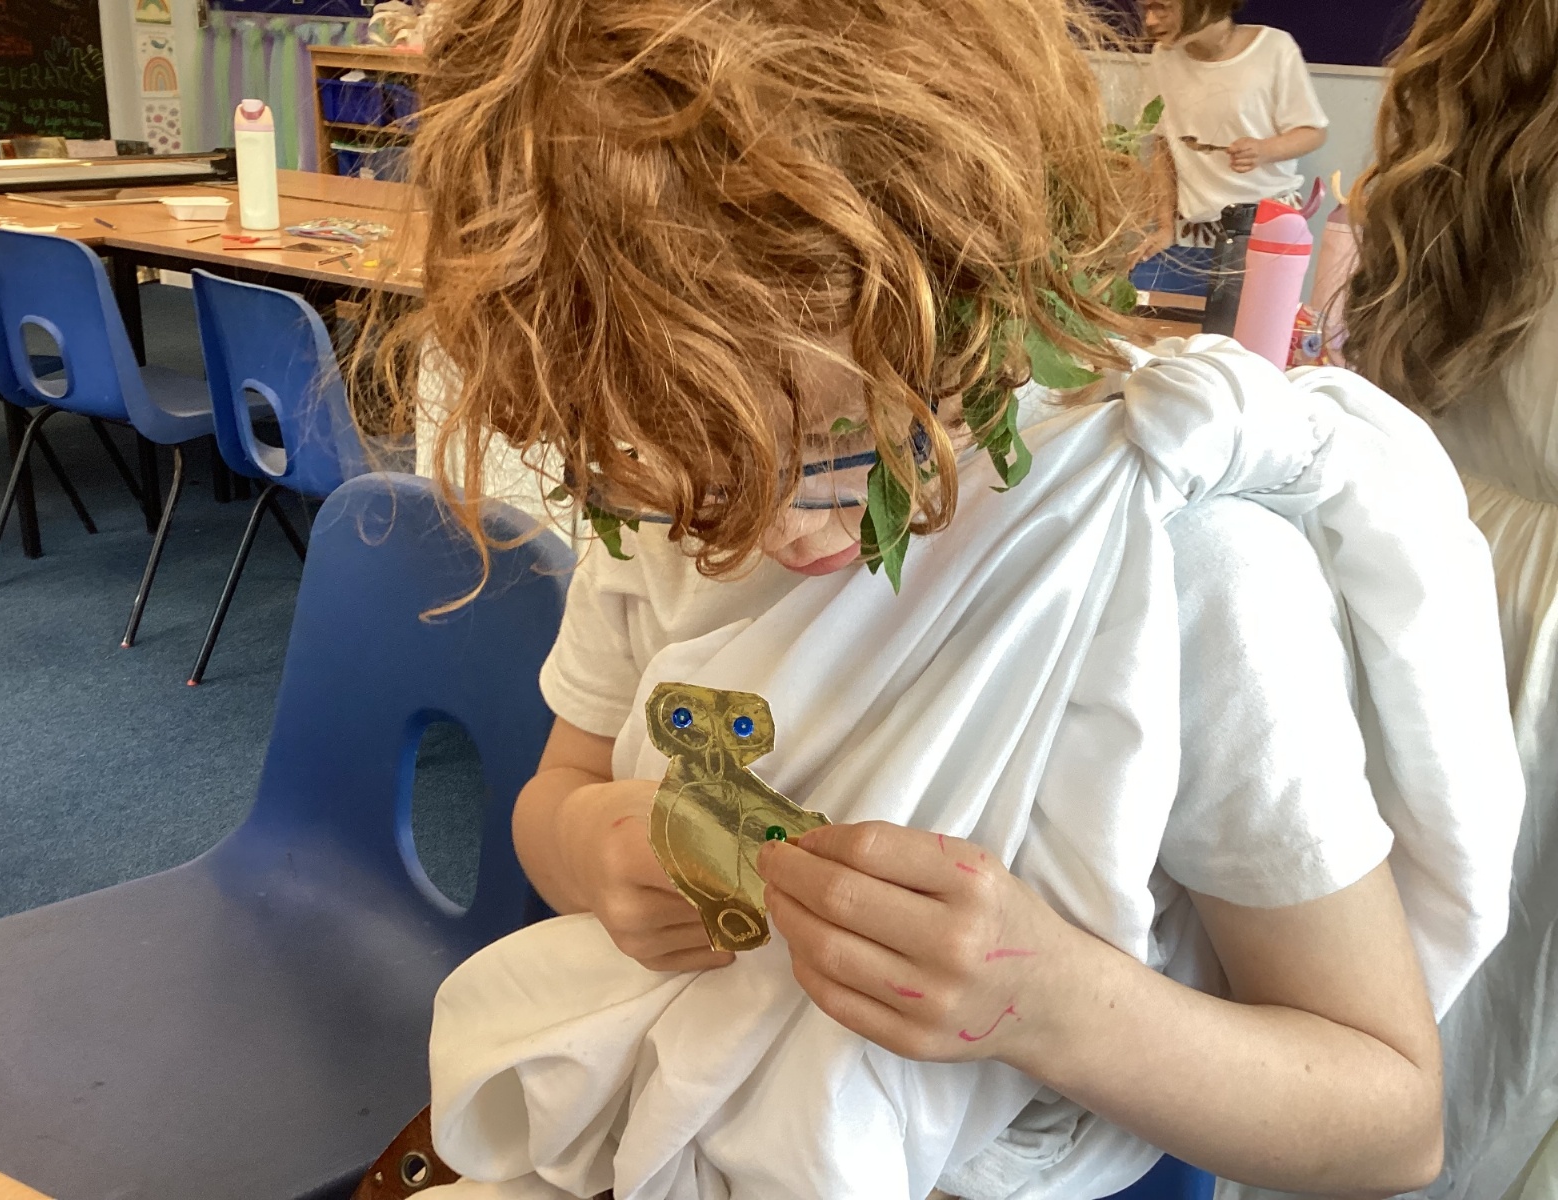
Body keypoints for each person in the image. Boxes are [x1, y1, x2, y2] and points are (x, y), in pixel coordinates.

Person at [367, 0, 1523, 1196]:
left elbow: (1391, 1123)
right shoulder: (676, 486)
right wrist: (590, 852)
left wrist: (1043, 1001)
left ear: (983, 296)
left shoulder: (1182, 573)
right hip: (667, 1102)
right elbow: (558, 790)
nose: (778, 528)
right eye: (685, 474)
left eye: (845, 450)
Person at [1341, 2, 1558, 1197]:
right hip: (1521, 645)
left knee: (1389, 982)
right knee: (1500, 1054)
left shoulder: (1462, 102)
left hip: (1416, 582)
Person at [1140, 0, 1328, 247]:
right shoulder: (1163, 57)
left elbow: (1313, 132)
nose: (1150, 21)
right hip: (1194, 230)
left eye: (1163, 7)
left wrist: (1265, 150)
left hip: (1267, 223)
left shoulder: (1274, 48)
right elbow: (1162, 146)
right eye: (1146, 8)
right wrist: (1165, 227)